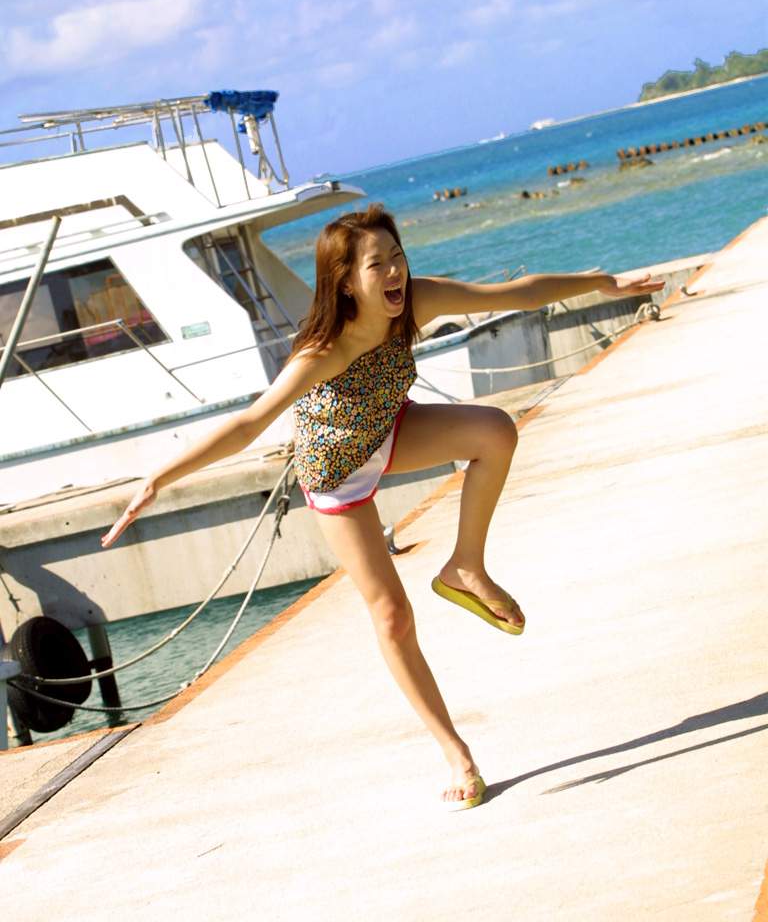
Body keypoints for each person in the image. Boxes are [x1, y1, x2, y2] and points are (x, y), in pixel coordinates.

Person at [101, 204, 665, 811]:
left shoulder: (416, 302)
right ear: (346, 281)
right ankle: (457, 753)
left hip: (390, 431)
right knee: (392, 616)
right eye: (378, 265)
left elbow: (517, 293)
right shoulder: (324, 351)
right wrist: (160, 478)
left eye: (398, 257)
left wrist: (603, 281)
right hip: (336, 474)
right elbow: (248, 424)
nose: (395, 272)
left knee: (495, 432)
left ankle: (465, 566)